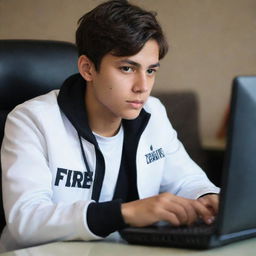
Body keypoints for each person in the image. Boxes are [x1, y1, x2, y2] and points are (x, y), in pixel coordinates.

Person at [0, 0, 220, 252]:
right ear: (87, 68)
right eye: (127, 68)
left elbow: (186, 179)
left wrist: (206, 197)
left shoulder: (153, 112)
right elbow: (25, 221)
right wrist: (124, 213)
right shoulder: (31, 120)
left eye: (150, 71)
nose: (142, 86)